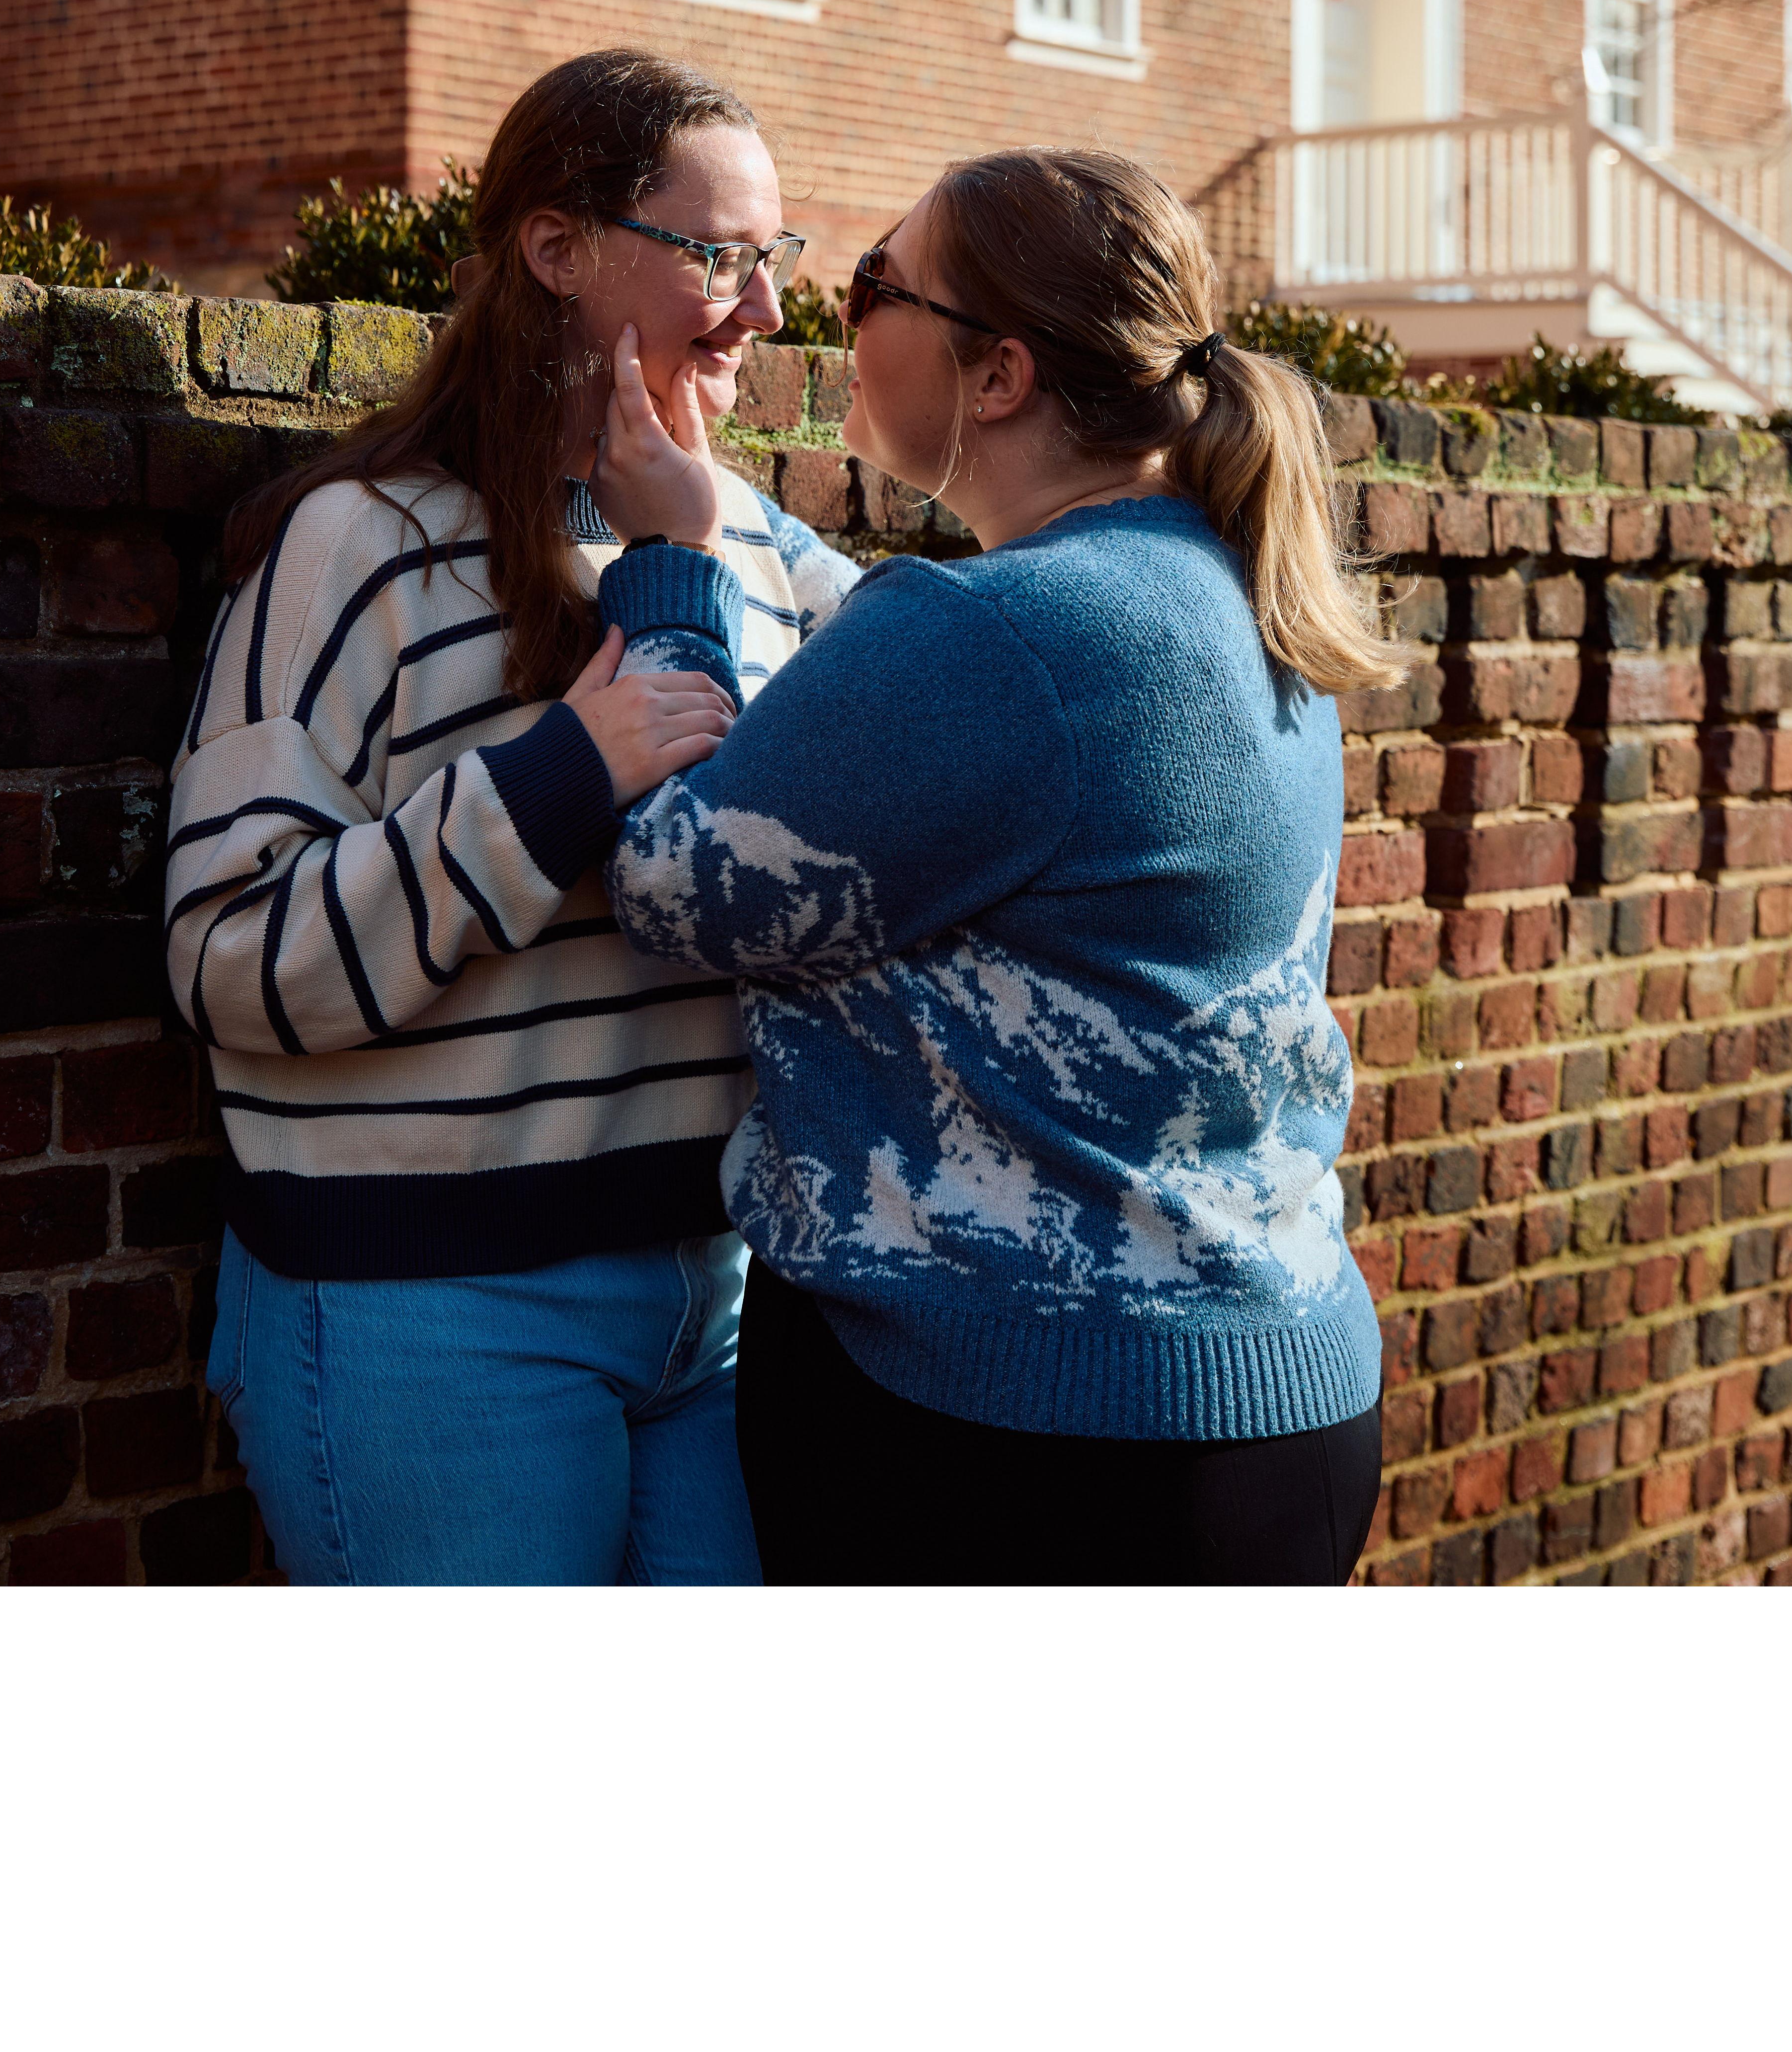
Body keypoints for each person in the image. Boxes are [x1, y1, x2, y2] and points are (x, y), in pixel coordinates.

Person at [588, 145, 1398, 1583]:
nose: (827, 317)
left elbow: (669, 882)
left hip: (1026, 1439)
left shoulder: (998, 634)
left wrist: (670, 568)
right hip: (1282, 1406)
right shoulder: (1231, 592)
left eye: (874, 285)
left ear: (1001, 374)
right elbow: (932, 729)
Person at [164, 48, 860, 1584]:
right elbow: (228, 957)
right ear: (557, 248)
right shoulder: (358, 546)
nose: (766, 309)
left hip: (722, 1309)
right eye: (720, 257)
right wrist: (556, 784)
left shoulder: (762, 551)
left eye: (779, 258)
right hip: (435, 1317)